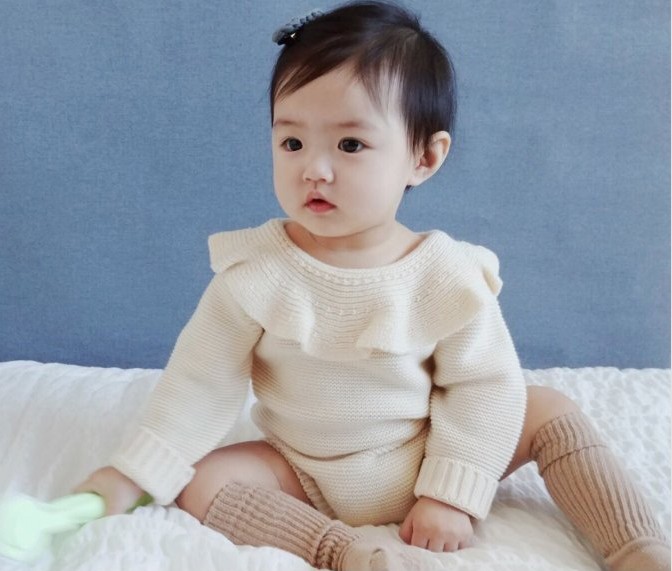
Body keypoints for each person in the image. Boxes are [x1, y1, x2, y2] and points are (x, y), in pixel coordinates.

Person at [75, 2, 670, 570]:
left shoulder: (446, 275)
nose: (314, 168)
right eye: (292, 142)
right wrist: (133, 472)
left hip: (425, 455)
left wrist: (451, 491)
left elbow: (483, 388)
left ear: (424, 158)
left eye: (350, 144)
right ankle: (345, 551)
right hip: (303, 470)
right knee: (204, 480)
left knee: (546, 409)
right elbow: (198, 385)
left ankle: (636, 547)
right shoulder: (254, 272)